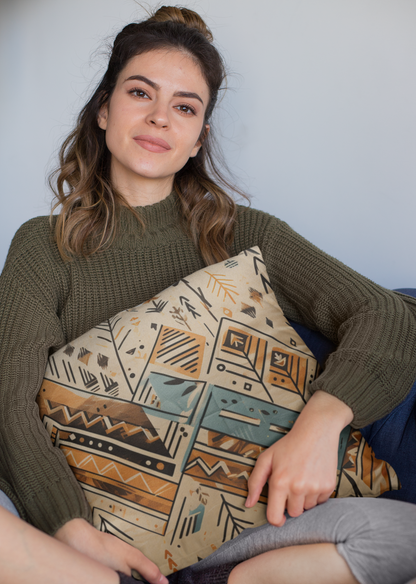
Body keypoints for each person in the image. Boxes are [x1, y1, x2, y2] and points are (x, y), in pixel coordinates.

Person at [0, 6, 416, 584]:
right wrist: (71, 528)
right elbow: (8, 399)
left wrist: (319, 426)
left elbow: (390, 316)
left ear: (200, 137)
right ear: (103, 110)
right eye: (140, 92)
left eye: (185, 107)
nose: (159, 118)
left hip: (250, 522)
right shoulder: (42, 246)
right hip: (98, 536)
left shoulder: (246, 235)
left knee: (403, 535)